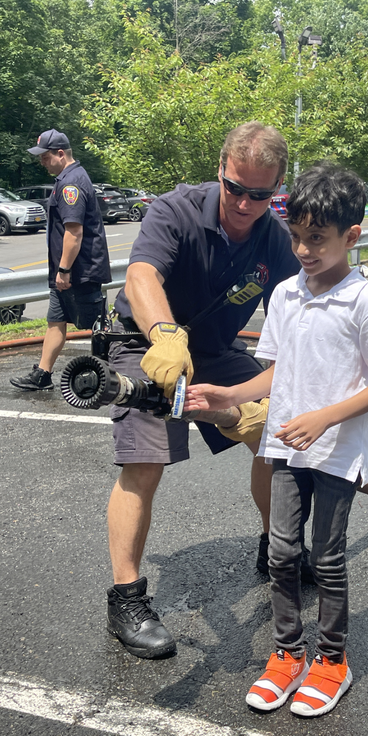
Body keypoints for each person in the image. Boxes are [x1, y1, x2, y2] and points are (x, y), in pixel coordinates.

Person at [186, 163, 368, 717]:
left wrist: (326, 418)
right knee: (283, 553)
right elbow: (274, 372)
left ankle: (332, 661)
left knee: (327, 559)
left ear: (351, 236)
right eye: (297, 237)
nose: (304, 250)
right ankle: (287, 654)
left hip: (334, 453)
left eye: (317, 239)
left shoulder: (364, 303)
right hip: (285, 447)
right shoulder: (284, 294)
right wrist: (231, 397)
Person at [104, 122, 303, 661]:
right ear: (221, 170)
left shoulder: (275, 240)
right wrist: (164, 336)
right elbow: (141, 276)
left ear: (277, 189)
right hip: (147, 340)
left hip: (216, 349)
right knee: (146, 460)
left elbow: (300, 307)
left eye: (259, 194)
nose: (243, 203)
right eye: (235, 188)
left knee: (275, 437)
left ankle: (277, 549)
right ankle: (126, 598)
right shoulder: (177, 210)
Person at [10, 129, 111, 391]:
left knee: (97, 327)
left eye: (45, 157)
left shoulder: (71, 184)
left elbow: (74, 232)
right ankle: (43, 375)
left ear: (60, 153)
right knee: (56, 321)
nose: (42, 162)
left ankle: (116, 377)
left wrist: (64, 269)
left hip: (79, 271)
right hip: (64, 273)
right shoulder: (67, 178)